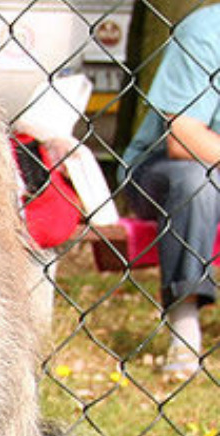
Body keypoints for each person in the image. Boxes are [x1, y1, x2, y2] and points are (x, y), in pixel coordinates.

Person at [122, 3, 220, 377]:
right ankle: (184, 327)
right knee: (197, 180)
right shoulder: (205, 32)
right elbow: (183, 137)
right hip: (164, 169)